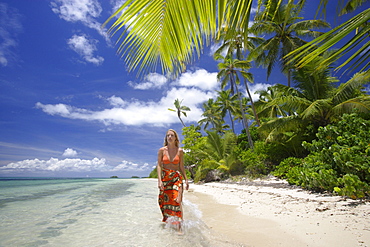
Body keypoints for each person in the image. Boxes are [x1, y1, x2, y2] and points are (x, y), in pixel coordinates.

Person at [157, 129, 189, 232]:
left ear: (175, 138)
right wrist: (159, 181)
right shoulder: (162, 150)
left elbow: (181, 167)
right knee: (165, 202)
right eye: (168, 136)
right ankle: (170, 223)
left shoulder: (179, 151)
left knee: (177, 200)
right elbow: (159, 165)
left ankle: (179, 227)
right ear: (166, 138)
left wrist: (186, 180)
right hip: (165, 178)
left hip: (176, 178)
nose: (170, 137)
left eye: (172, 135)